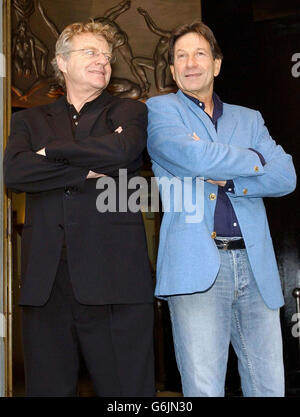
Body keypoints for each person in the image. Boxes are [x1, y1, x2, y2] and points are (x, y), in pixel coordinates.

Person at [4, 21, 155, 397]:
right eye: (91, 52)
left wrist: (51, 153)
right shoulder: (28, 119)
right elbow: (15, 172)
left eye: (107, 56)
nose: (102, 61)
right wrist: (85, 169)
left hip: (116, 281)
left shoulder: (129, 113)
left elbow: (122, 153)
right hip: (47, 283)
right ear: (61, 61)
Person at [146, 20, 296, 397]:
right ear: (172, 69)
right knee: (203, 389)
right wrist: (255, 157)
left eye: (199, 53)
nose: (190, 62)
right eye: (180, 56)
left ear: (216, 64)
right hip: (196, 267)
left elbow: (287, 177)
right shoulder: (160, 110)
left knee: (269, 387)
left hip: (255, 266)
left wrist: (229, 179)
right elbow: (190, 156)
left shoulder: (249, 118)